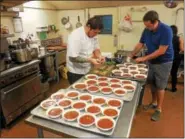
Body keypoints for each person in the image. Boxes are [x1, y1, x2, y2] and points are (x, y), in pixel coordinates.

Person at [129, 10, 174, 121]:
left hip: (164, 61)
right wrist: (132, 53)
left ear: (155, 22)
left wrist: (144, 58)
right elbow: (141, 43)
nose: (147, 28)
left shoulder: (166, 30)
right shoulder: (147, 29)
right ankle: (153, 102)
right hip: (152, 61)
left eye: (149, 26)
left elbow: (161, 51)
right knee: (152, 82)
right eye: (146, 26)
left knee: (160, 85)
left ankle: (158, 109)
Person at [66, 16, 105, 85]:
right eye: (95, 32)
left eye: (98, 33)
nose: (96, 34)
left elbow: (96, 48)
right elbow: (72, 58)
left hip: (88, 69)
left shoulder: (94, 35)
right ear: (88, 27)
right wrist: (90, 60)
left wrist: (99, 56)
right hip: (75, 72)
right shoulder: (76, 36)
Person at [170, 25, 184, 92]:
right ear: (176, 31)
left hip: (168, 58)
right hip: (176, 58)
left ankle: (163, 87)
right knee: (174, 73)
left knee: (166, 73)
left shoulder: (167, 37)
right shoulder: (179, 38)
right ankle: (173, 88)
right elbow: (181, 49)